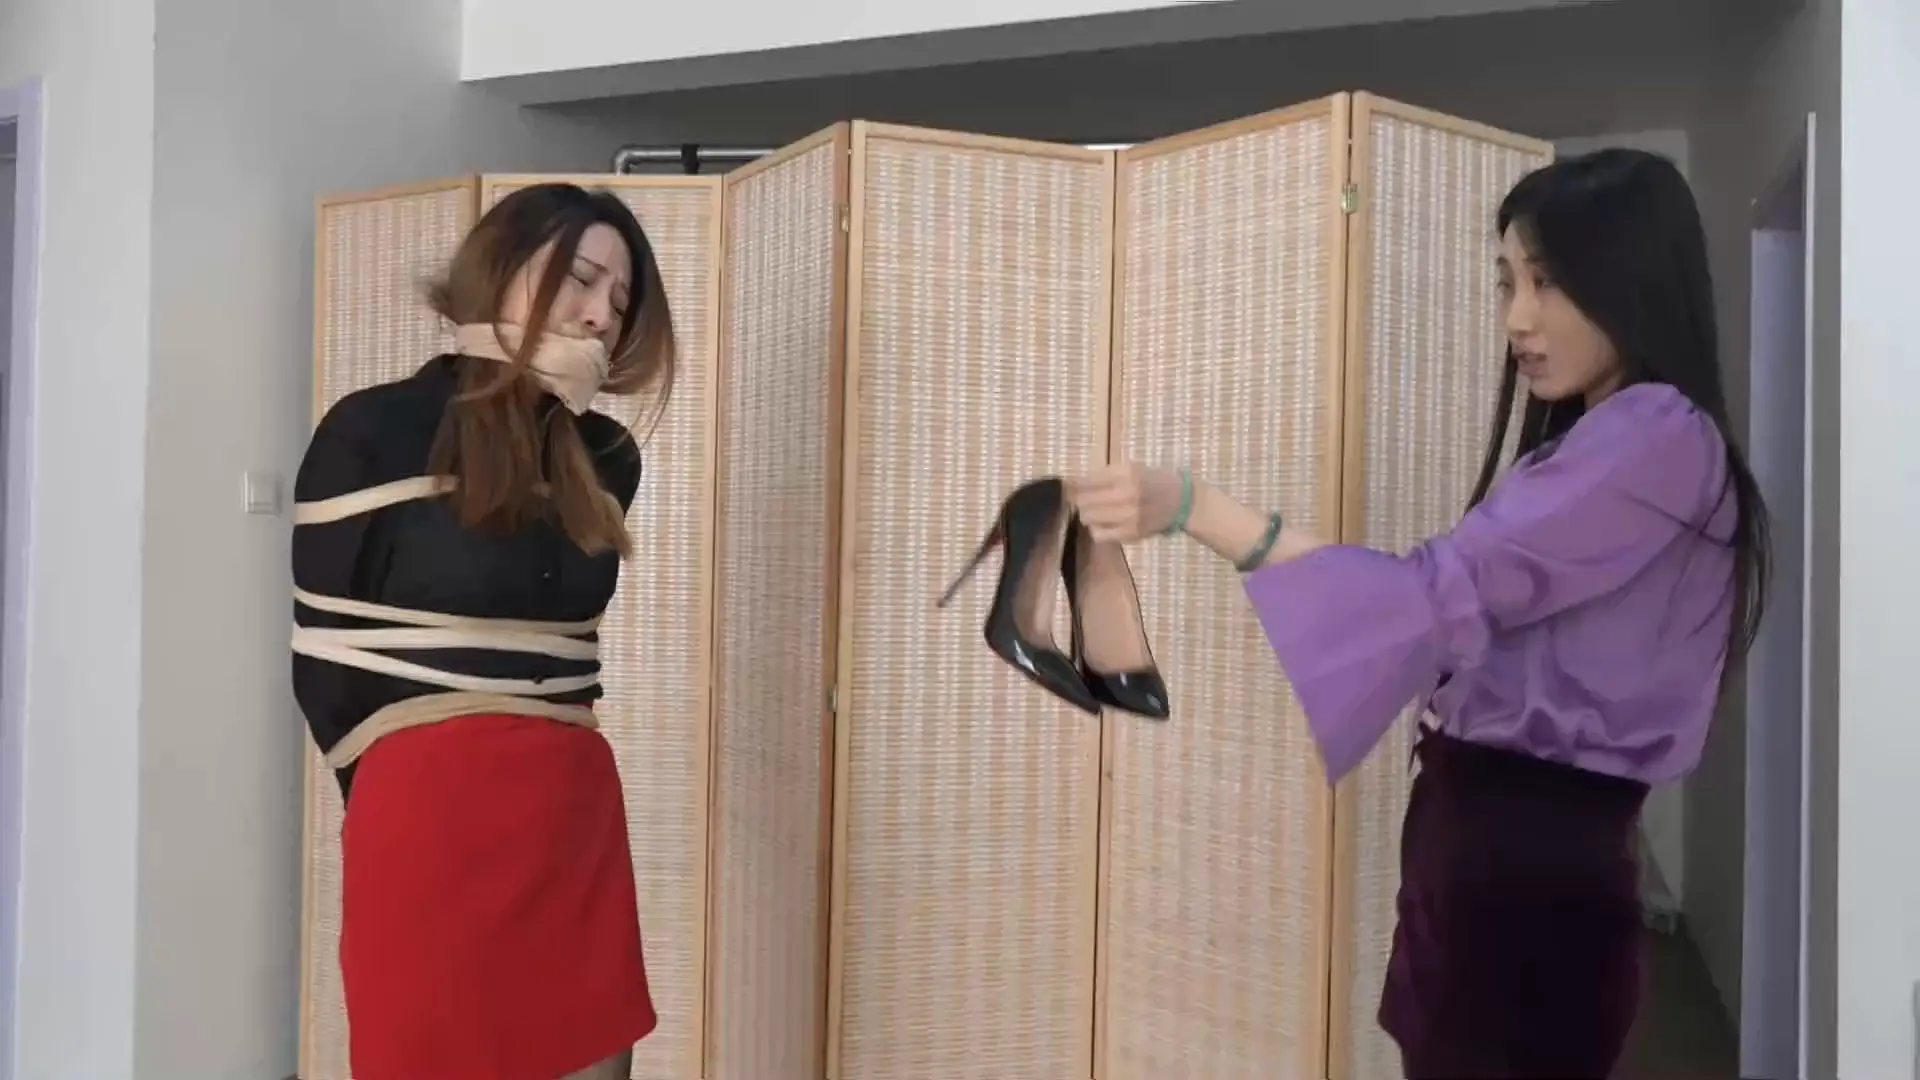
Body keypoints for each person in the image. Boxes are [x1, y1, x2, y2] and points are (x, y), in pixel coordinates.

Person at [1070, 149, 1769, 1079]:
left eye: (1548, 282)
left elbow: (1428, 597)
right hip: (1494, 853)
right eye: (1507, 282)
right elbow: (1449, 604)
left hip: (1526, 876)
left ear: (1630, 278)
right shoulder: (1601, 439)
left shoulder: (1656, 437)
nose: (1518, 318)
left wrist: (1194, 507)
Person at [291, 183, 675, 1080]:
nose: (600, 316)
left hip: (572, 809)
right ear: (502, 267)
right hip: (429, 811)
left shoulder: (608, 457)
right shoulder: (372, 430)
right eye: (581, 279)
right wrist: (391, 793)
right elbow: (323, 664)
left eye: (620, 302)